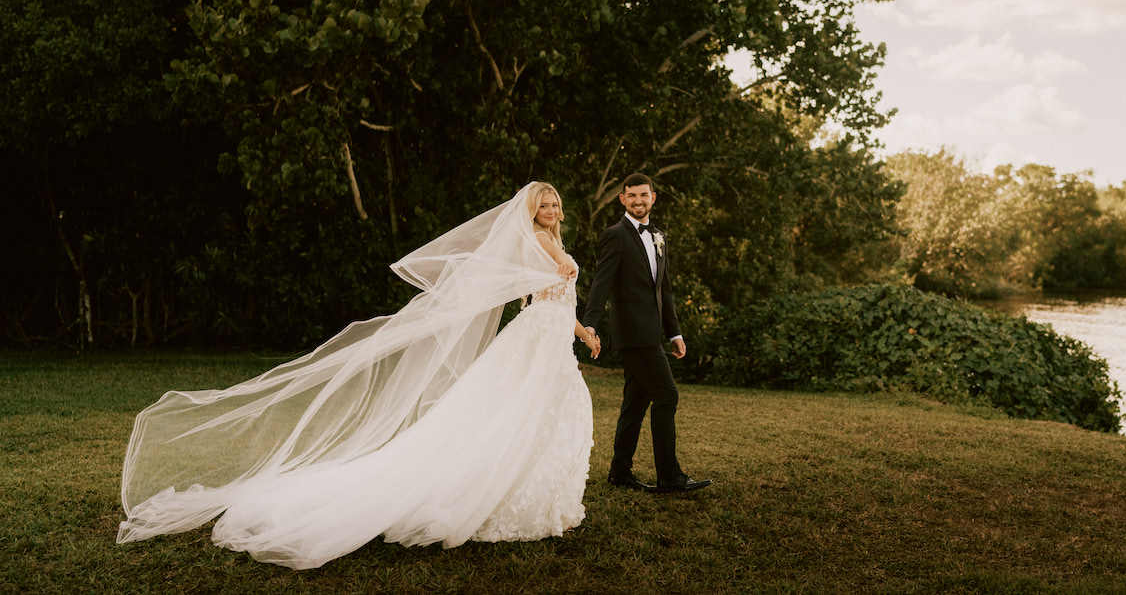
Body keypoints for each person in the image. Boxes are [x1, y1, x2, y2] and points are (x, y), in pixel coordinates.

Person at [116, 182, 602, 570]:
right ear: (532, 211)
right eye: (543, 203)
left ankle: (534, 495)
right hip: (536, 341)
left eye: (555, 202)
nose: (551, 208)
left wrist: (581, 331)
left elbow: (556, 297)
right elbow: (551, 280)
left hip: (551, 334)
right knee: (518, 415)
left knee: (537, 416)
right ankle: (505, 493)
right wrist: (559, 269)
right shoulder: (539, 241)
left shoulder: (552, 240)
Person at [582, 173, 711, 494]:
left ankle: (619, 471)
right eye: (632, 196)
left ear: (653, 197)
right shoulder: (615, 235)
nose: (638, 200)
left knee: (635, 403)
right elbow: (601, 282)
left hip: (653, 334)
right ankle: (670, 476)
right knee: (667, 396)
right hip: (633, 334)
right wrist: (590, 323)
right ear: (622, 199)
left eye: (644, 195)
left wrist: (674, 333)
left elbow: (663, 290)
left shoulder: (659, 236)